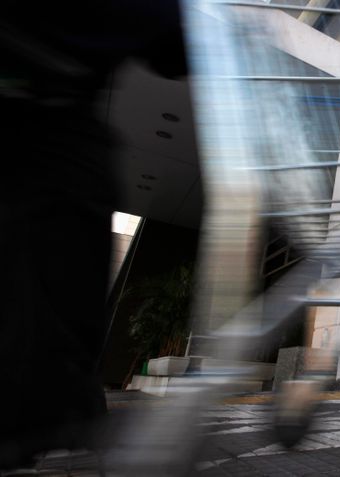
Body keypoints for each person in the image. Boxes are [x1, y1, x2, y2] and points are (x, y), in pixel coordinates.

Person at [0, 1, 185, 470]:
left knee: (62, 272)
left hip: (57, 117)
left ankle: (54, 418)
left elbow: (173, 45)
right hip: (47, 120)